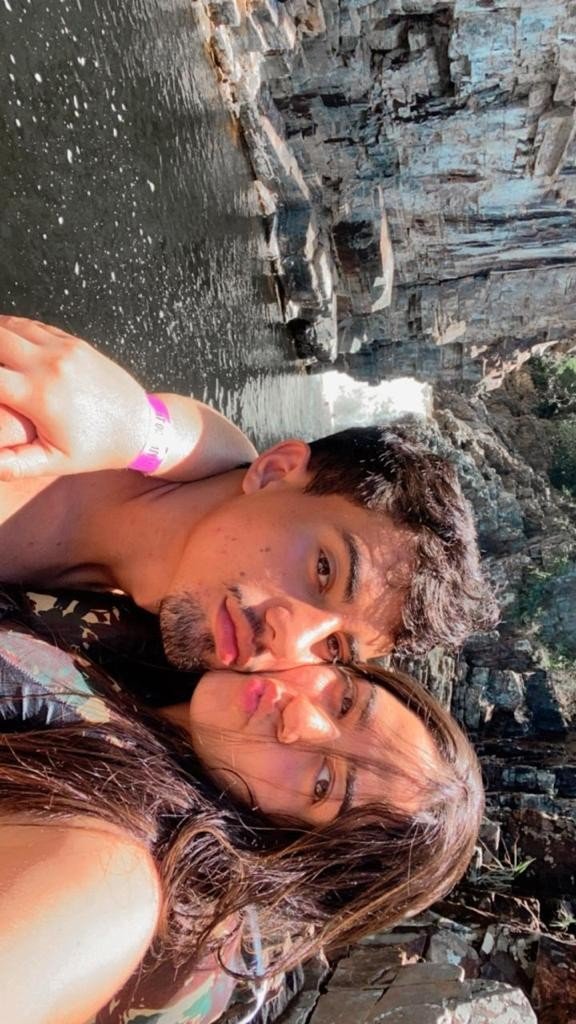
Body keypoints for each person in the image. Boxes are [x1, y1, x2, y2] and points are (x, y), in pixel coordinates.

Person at [0, 605, 483, 1024]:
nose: (302, 718)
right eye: (346, 702)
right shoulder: (174, 636)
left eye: (324, 784)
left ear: (291, 849)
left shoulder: (113, 881)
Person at [0, 316, 498, 678]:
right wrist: (129, 423)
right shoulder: (44, 431)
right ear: (275, 471)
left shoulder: (130, 657)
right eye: (324, 569)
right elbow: (169, 432)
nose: (289, 640)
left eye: (333, 648)